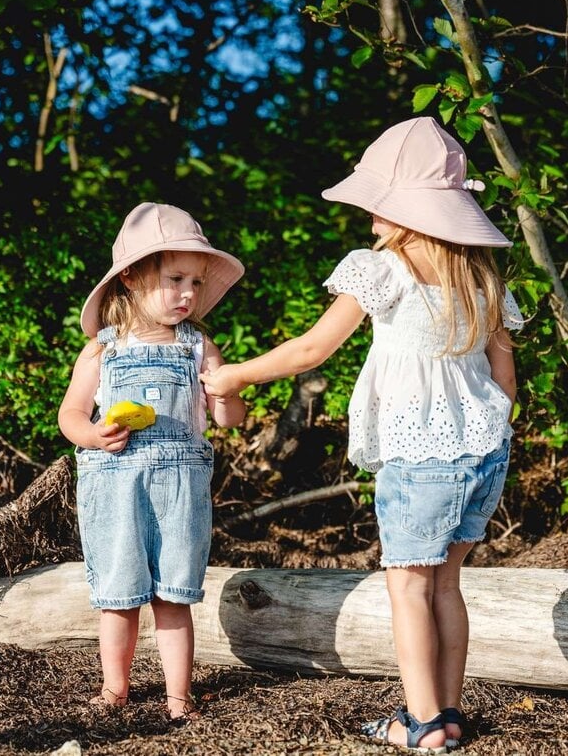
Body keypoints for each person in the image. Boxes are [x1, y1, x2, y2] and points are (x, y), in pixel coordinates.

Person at [200, 117, 524, 753]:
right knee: (447, 586)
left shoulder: (383, 270)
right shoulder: (482, 280)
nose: (372, 222)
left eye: (379, 208)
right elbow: (505, 378)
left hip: (418, 453)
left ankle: (424, 723)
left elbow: (313, 348)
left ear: (409, 215)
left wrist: (233, 373)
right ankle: (449, 713)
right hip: (484, 450)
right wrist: (482, 425)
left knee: (407, 586)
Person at [59, 202, 246, 719]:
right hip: (115, 483)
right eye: (176, 279)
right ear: (134, 278)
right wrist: (94, 436)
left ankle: (177, 695)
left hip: (179, 490)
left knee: (173, 595)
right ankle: (114, 688)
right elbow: (70, 413)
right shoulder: (103, 349)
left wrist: (227, 394)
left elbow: (229, 418)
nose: (189, 293)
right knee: (118, 596)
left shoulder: (198, 347)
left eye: (196, 282)